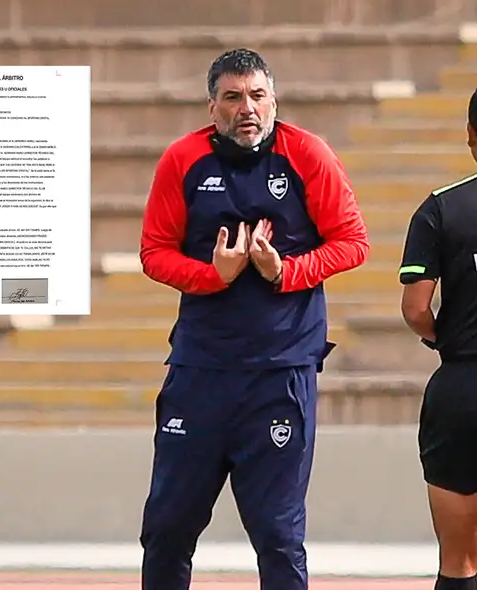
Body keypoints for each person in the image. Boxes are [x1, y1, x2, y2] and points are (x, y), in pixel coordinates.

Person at [137, 48, 370, 590]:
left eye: (258, 95)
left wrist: (284, 271)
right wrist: (212, 275)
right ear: (212, 106)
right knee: (167, 529)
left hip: (278, 374)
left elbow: (353, 242)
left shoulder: (307, 154)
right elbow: (154, 252)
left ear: (274, 100)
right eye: (233, 97)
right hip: (200, 372)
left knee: (277, 535)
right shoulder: (183, 159)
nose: (247, 108)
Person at [399, 88, 477, 590]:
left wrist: (444, 337)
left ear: (471, 136)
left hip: (462, 388)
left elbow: (415, 309)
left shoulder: (441, 208)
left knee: (458, 560)